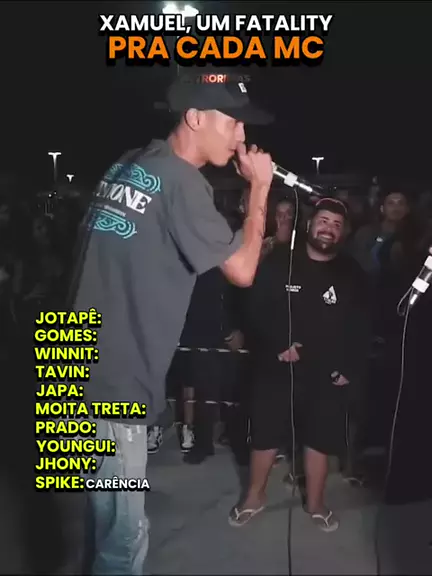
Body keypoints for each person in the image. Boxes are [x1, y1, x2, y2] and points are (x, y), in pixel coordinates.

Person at [70, 77, 274, 574]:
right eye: (233, 122)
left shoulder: (131, 162)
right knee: (123, 541)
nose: (242, 135)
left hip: (72, 363)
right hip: (114, 381)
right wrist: (260, 187)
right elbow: (243, 269)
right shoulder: (181, 180)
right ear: (195, 118)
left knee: (99, 520)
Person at [229, 198, 369, 532]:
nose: (328, 229)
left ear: (343, 232)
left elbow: (362, 325)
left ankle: (316, 503)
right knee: (264, 435)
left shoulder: (352, 272)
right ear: (309, 225)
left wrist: (350, 367)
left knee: (320, 440)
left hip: (326, 372)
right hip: (276, 366)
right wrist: (278, 343)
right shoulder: (279, 261)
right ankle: (254, 497)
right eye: (323, 220)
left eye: (336, 224)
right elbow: (254, 307)